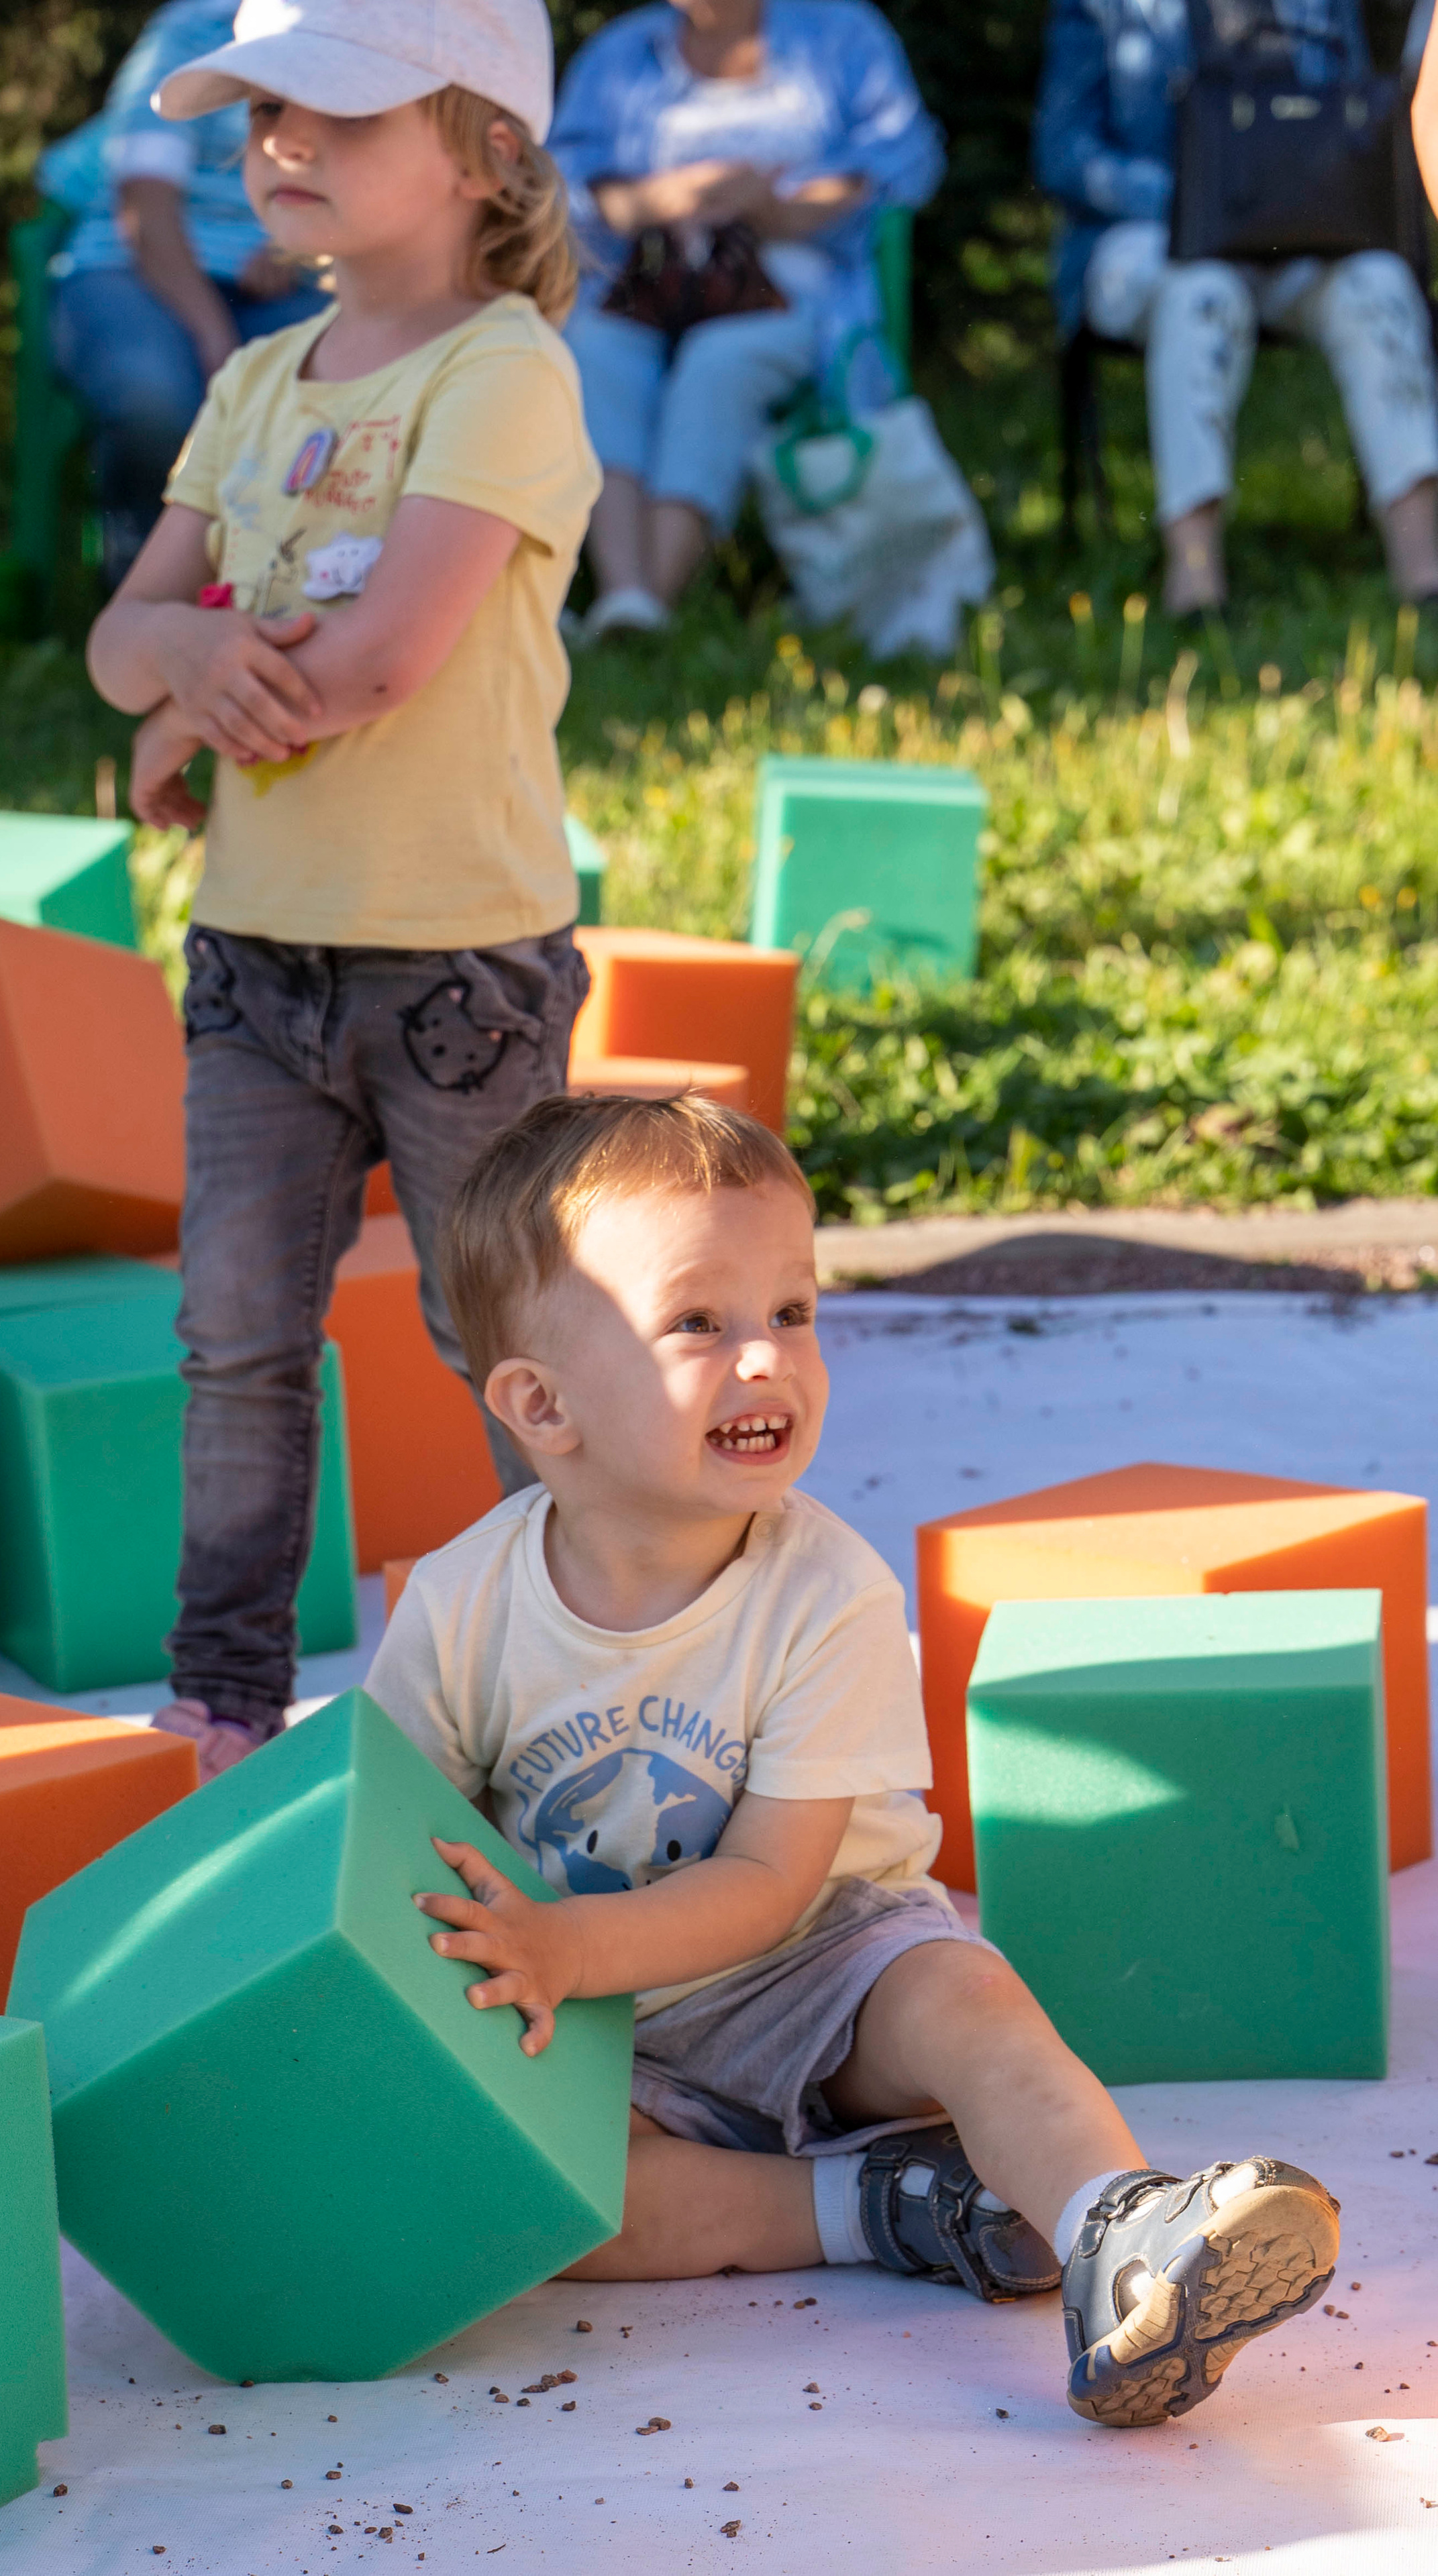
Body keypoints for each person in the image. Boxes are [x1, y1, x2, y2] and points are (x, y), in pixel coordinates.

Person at [366, 1089, 1342, 2425]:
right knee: (548, 2195)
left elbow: (770, 1881)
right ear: (542, 1404)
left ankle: (1119, 2230)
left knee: (965, 2001)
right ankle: (886, 2207)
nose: (765, 1359)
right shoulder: (463, 1604)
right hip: (601, 2020)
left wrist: (566, 1946)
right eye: (699, 1324)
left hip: (819, 1969)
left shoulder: (823, 1590)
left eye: (791, 1311)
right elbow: (397, 1833)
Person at [84, 0, 601, 1784]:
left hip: (458, 972)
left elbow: (378, 660)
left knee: (504, 1341)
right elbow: (119, 637)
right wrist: (175, 663)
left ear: (489, 154)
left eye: (340, 112)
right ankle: (223, 1702)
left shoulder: (503, 372)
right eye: (259, 116)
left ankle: (586, 1679)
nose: (281, 144)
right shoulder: (251, 384)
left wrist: (191, 693)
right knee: (235, 1343)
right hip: (254, 966)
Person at [548, 0, 943, 640]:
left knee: (721, 364)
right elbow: (556, 188)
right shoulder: (620, 55)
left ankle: (645, 604)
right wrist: (656, 199)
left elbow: (903, 162)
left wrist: (779, 208)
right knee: (593, 352)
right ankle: (625, 594)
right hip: (645, 286)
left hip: (792, 288)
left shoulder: (844, 34)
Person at [1034, 0, 1438, 614]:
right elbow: (1062, 153)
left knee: (1379, 286)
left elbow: (1352, 120)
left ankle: (1423, 571)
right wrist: (1196, 199)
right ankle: (1196, 579)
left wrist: (1297, 197)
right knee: (1202, 296)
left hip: (1291, 230)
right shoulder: (1103, 9)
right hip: (1149, 237)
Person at [40, 0, 329, 588]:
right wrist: (213, 337)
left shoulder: (352, 30)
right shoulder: (190, 31)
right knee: (154, 398)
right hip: (133, 270)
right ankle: (145, 590)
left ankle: (287, 590)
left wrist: (302, 245)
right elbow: (145, 208)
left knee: (343, 394)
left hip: (284, 282)